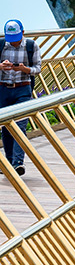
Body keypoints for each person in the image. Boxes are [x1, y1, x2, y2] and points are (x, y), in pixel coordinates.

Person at [0, 19, 41, 176]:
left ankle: (18, 163)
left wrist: (25, 69)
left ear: (23, 33)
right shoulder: (2, 45)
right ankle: (9, 161)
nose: (14, 42)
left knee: (20, 126)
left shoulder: (31, 46)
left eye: (16, 38)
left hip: (22, 89)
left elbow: (37, 68)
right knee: (5, 126)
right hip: (3, 88)